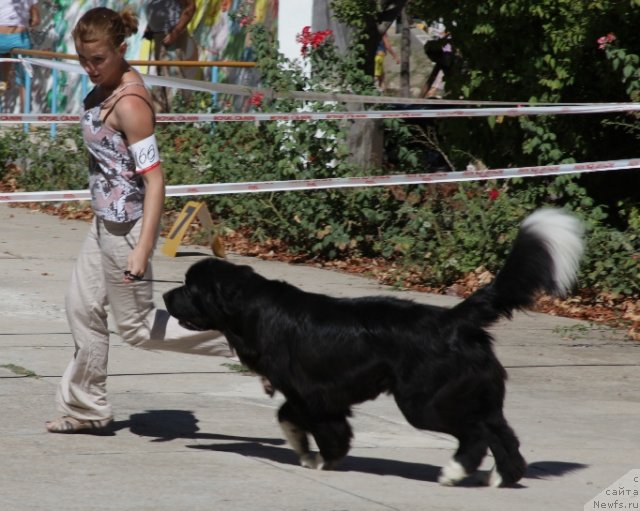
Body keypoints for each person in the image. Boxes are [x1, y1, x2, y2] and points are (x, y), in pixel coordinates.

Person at [45, 6, 231, 435]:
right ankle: (87, 409)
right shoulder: (103, 87)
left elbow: (156, 182)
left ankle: (243, 345)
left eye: (98, 60)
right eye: (83, 60)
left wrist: (144, 248)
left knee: (139, 328)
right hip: (103, 224)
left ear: (121, 50)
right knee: (81, 306)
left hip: (129, 230)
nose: (90, 68)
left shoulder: (130, 104)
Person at [143, 0, 198, 111]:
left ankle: (180, 120)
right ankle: (168, 121)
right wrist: (150, 26)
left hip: (171, 36)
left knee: (174, 80)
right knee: (163, 81)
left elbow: (191, 7)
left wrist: (175, 33)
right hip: (159, 36)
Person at [0, 0, 40, 108]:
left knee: (4, 56)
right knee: (24, 79)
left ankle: (3, 80)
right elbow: (36, 20)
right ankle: (26, 119)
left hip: (0, 38)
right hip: (19, 38)